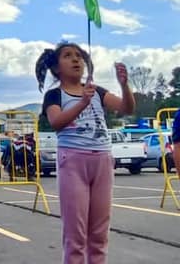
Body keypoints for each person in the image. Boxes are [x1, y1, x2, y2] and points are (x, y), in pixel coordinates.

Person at [37, 42, 135, 264]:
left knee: (99, 233)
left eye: (79, 56)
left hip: (102, 160)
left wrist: (124, 85)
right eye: (68, 56)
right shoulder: (55, 95)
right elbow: (56, 122)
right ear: (56, 68)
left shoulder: (97, 91)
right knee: (76, 234)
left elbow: (127, 108)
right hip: (73, 161)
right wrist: (82, 103)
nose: (76, 60)